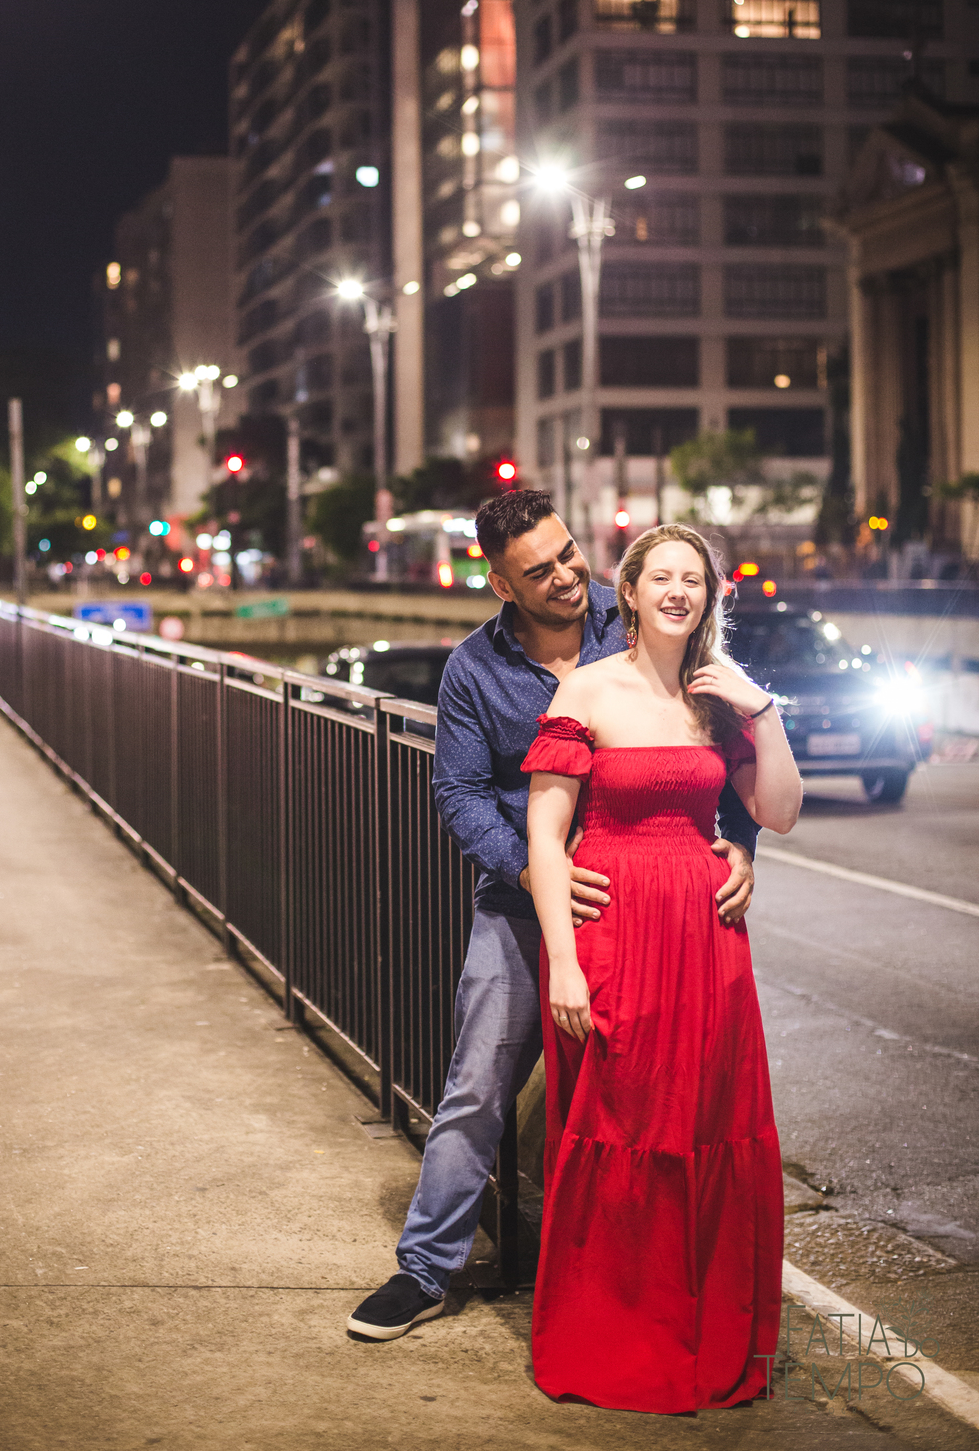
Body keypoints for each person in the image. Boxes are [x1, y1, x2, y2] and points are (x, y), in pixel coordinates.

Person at [346, 493, 759, 1343]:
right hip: (523, 906)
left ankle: (629, 1277)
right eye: (540, 570)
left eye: (569, 553)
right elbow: (458, 791)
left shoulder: (639, 617)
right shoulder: (473, 668)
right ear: (500, 583)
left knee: (645, 1101)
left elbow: (724, 741)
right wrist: (539, 874)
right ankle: (426, 1268)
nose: (569, 575)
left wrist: (743, 841)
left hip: (640, 912)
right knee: (479, 1082)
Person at [524, 524, 801, 1412]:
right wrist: (563, 964)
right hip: (613, 934)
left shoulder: (720, 700)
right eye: (662, 578)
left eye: (696, 579)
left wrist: (763, 713)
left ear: (712, 595)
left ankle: (703, 1327)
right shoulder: (589, 687)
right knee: (622, 1122)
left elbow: (781, 813)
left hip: (707, 937)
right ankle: (615, 1332)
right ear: (630, 593)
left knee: (708, 1122)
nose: (680, 591)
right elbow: (544, 833)